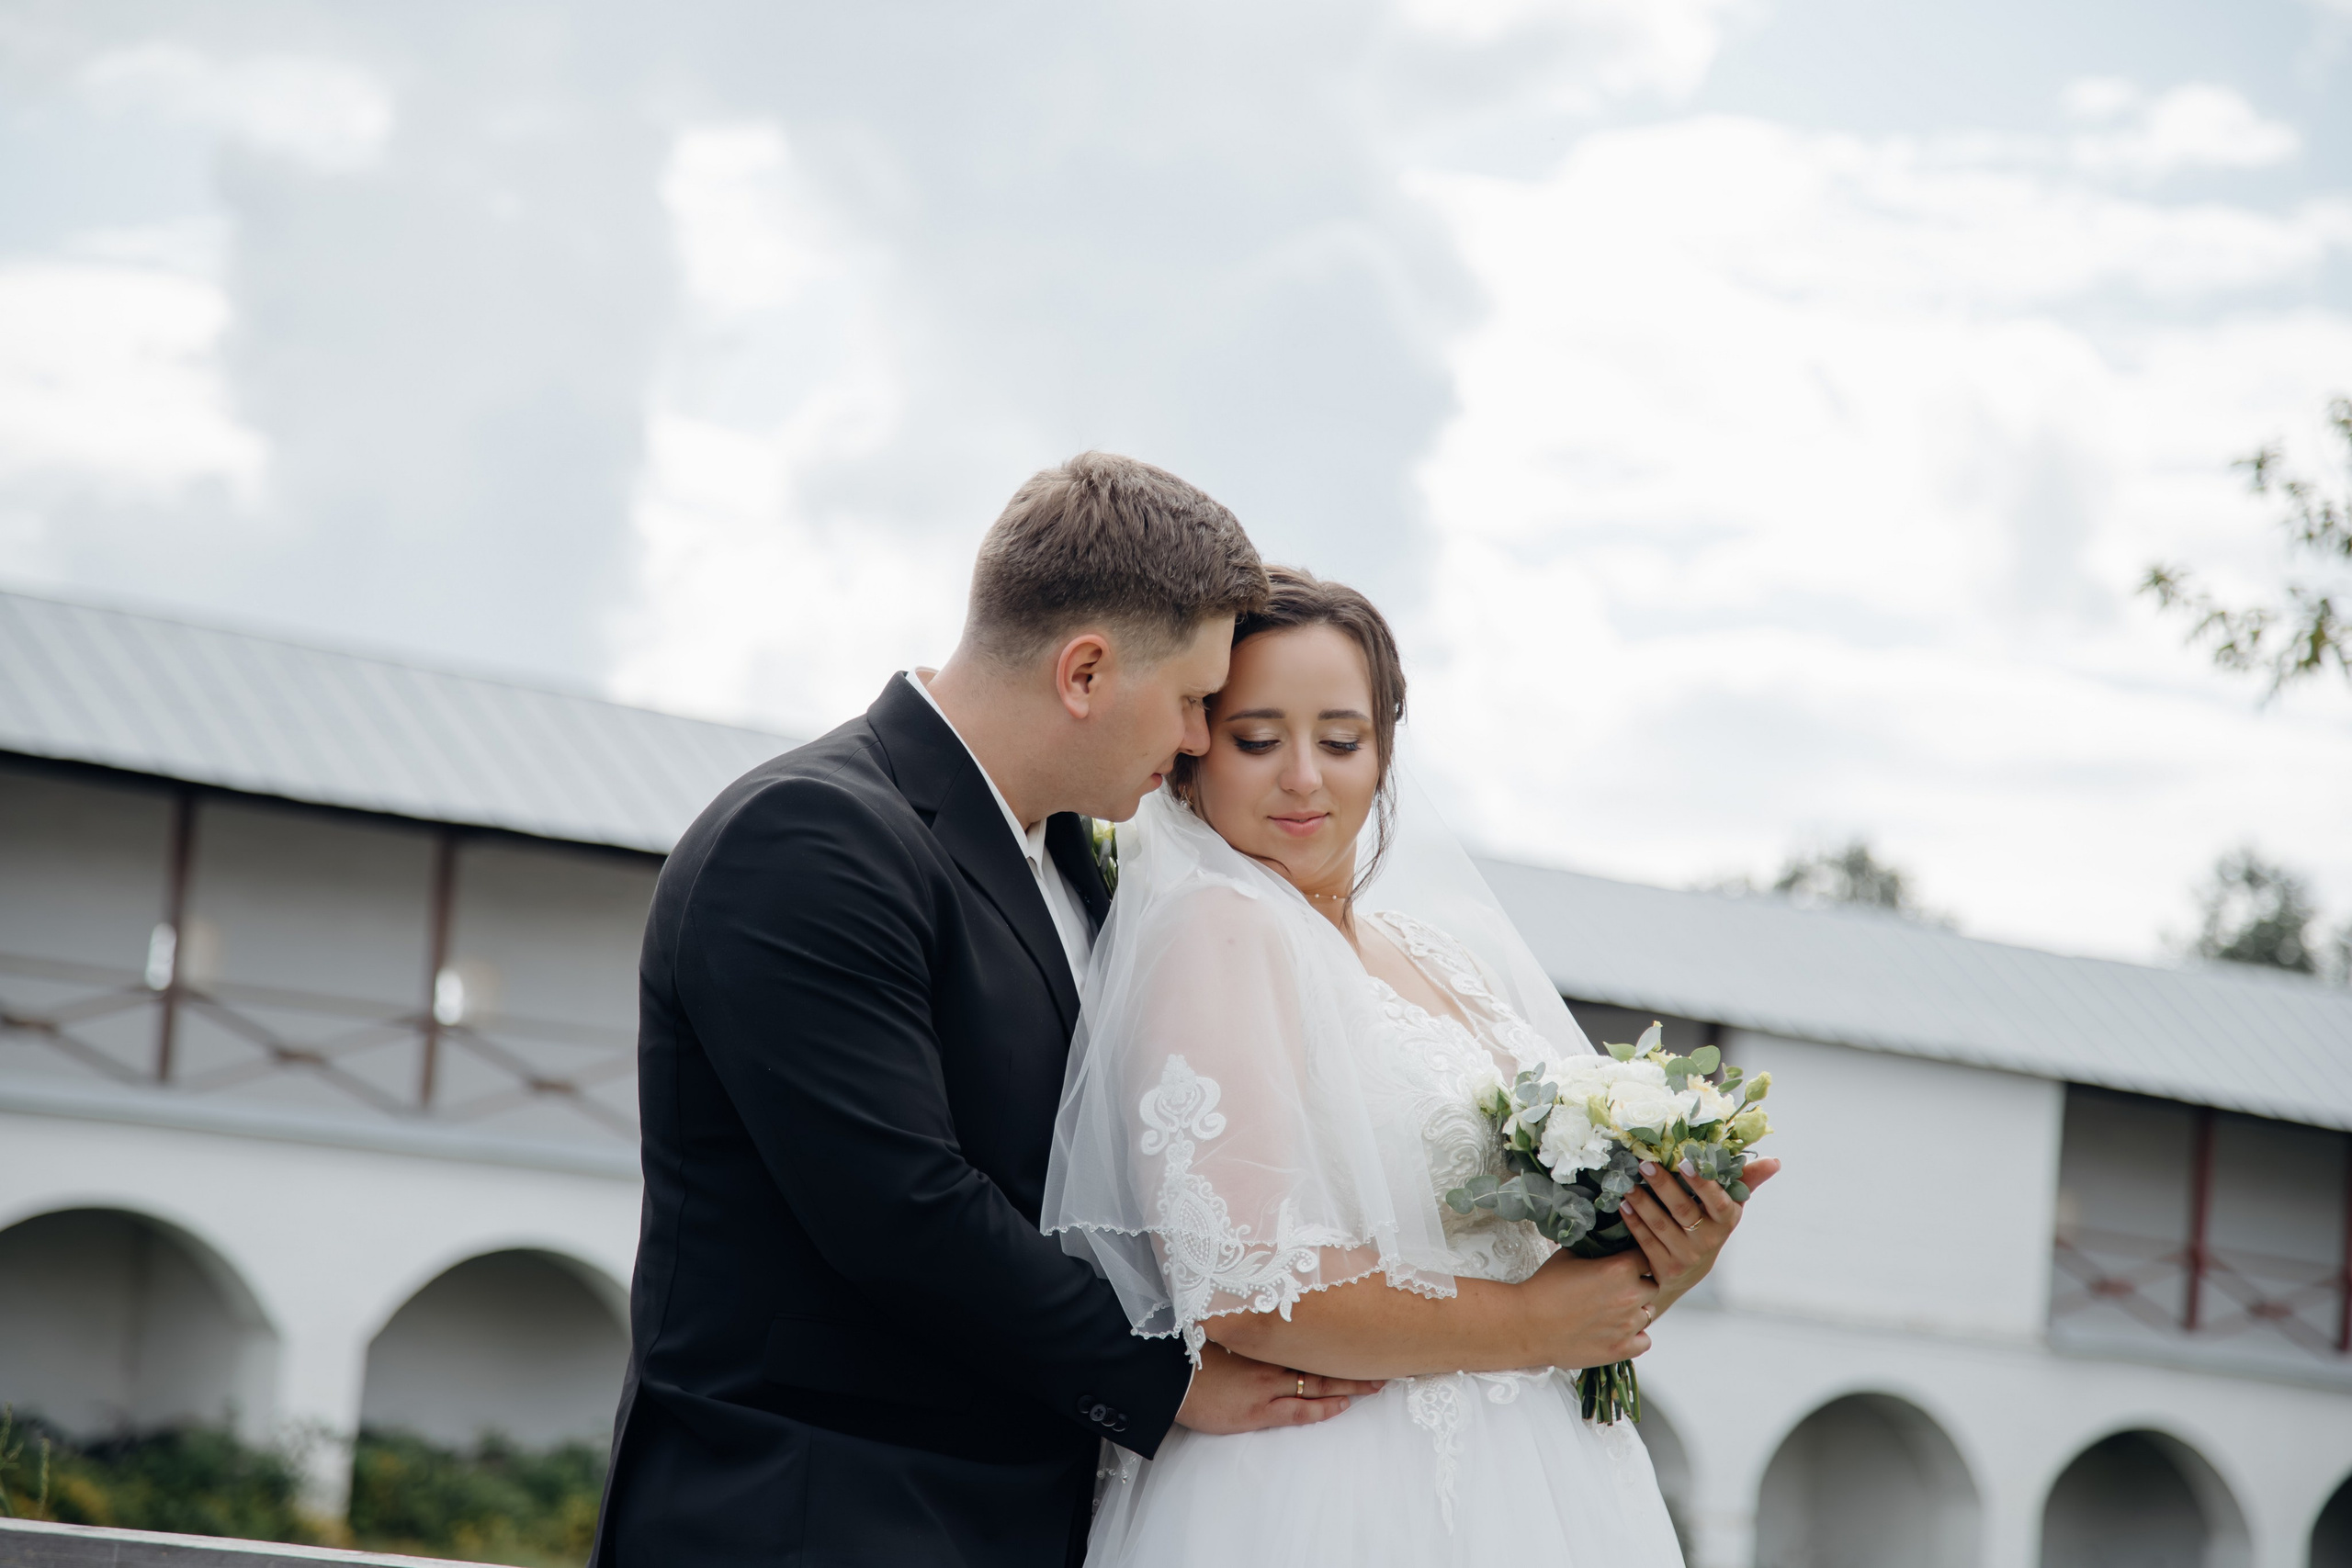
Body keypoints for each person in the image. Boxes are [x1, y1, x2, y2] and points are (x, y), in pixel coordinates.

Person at [592, 457, 1390, 1568]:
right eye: (1194, 699)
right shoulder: (810, 840)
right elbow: (901, 1207)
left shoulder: (1075, 859)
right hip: (817, 1513)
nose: (1202, 738)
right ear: (1086, 673)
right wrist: (1167, 1386)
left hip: (1012, 1513)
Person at [1045, 568, 1781, 1565]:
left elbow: (1534, 1269)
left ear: (1384, 750)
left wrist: (1655, 1256)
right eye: (1257, 739)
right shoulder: (1216, 928)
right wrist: (1527, 1326)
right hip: (1326, 1490)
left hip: (1536, 1479)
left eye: (1341, 740)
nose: (1303, 775)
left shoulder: (1438, 958)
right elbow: (1243, 1284)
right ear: (1190, 756)